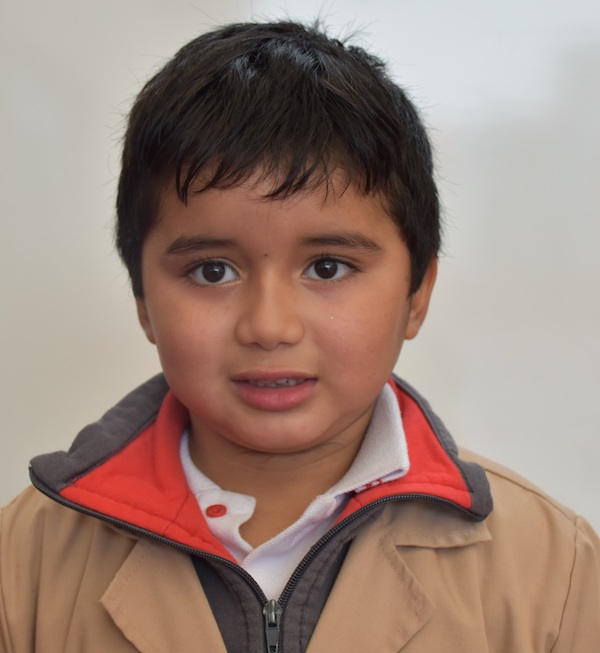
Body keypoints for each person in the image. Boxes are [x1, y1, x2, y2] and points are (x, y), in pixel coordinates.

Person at [0, 20, 598, 653]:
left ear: (417, 293)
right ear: (143, 300)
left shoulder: (553, 574)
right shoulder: (23, 566)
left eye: (327, 268)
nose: (269, 327)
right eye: (212, 271)